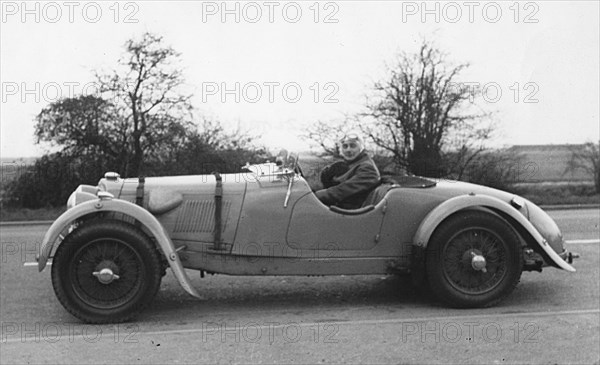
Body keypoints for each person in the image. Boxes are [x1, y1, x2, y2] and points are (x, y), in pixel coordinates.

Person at [315, 132, 381, 209]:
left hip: (353, 215)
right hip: (343, 209)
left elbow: (343, 190)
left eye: (353, 146)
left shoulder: (367, 168)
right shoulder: (351, 164)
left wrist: (317, 195)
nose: (348, 150)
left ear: (361, 148)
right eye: (345, 146)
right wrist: (326, 174)